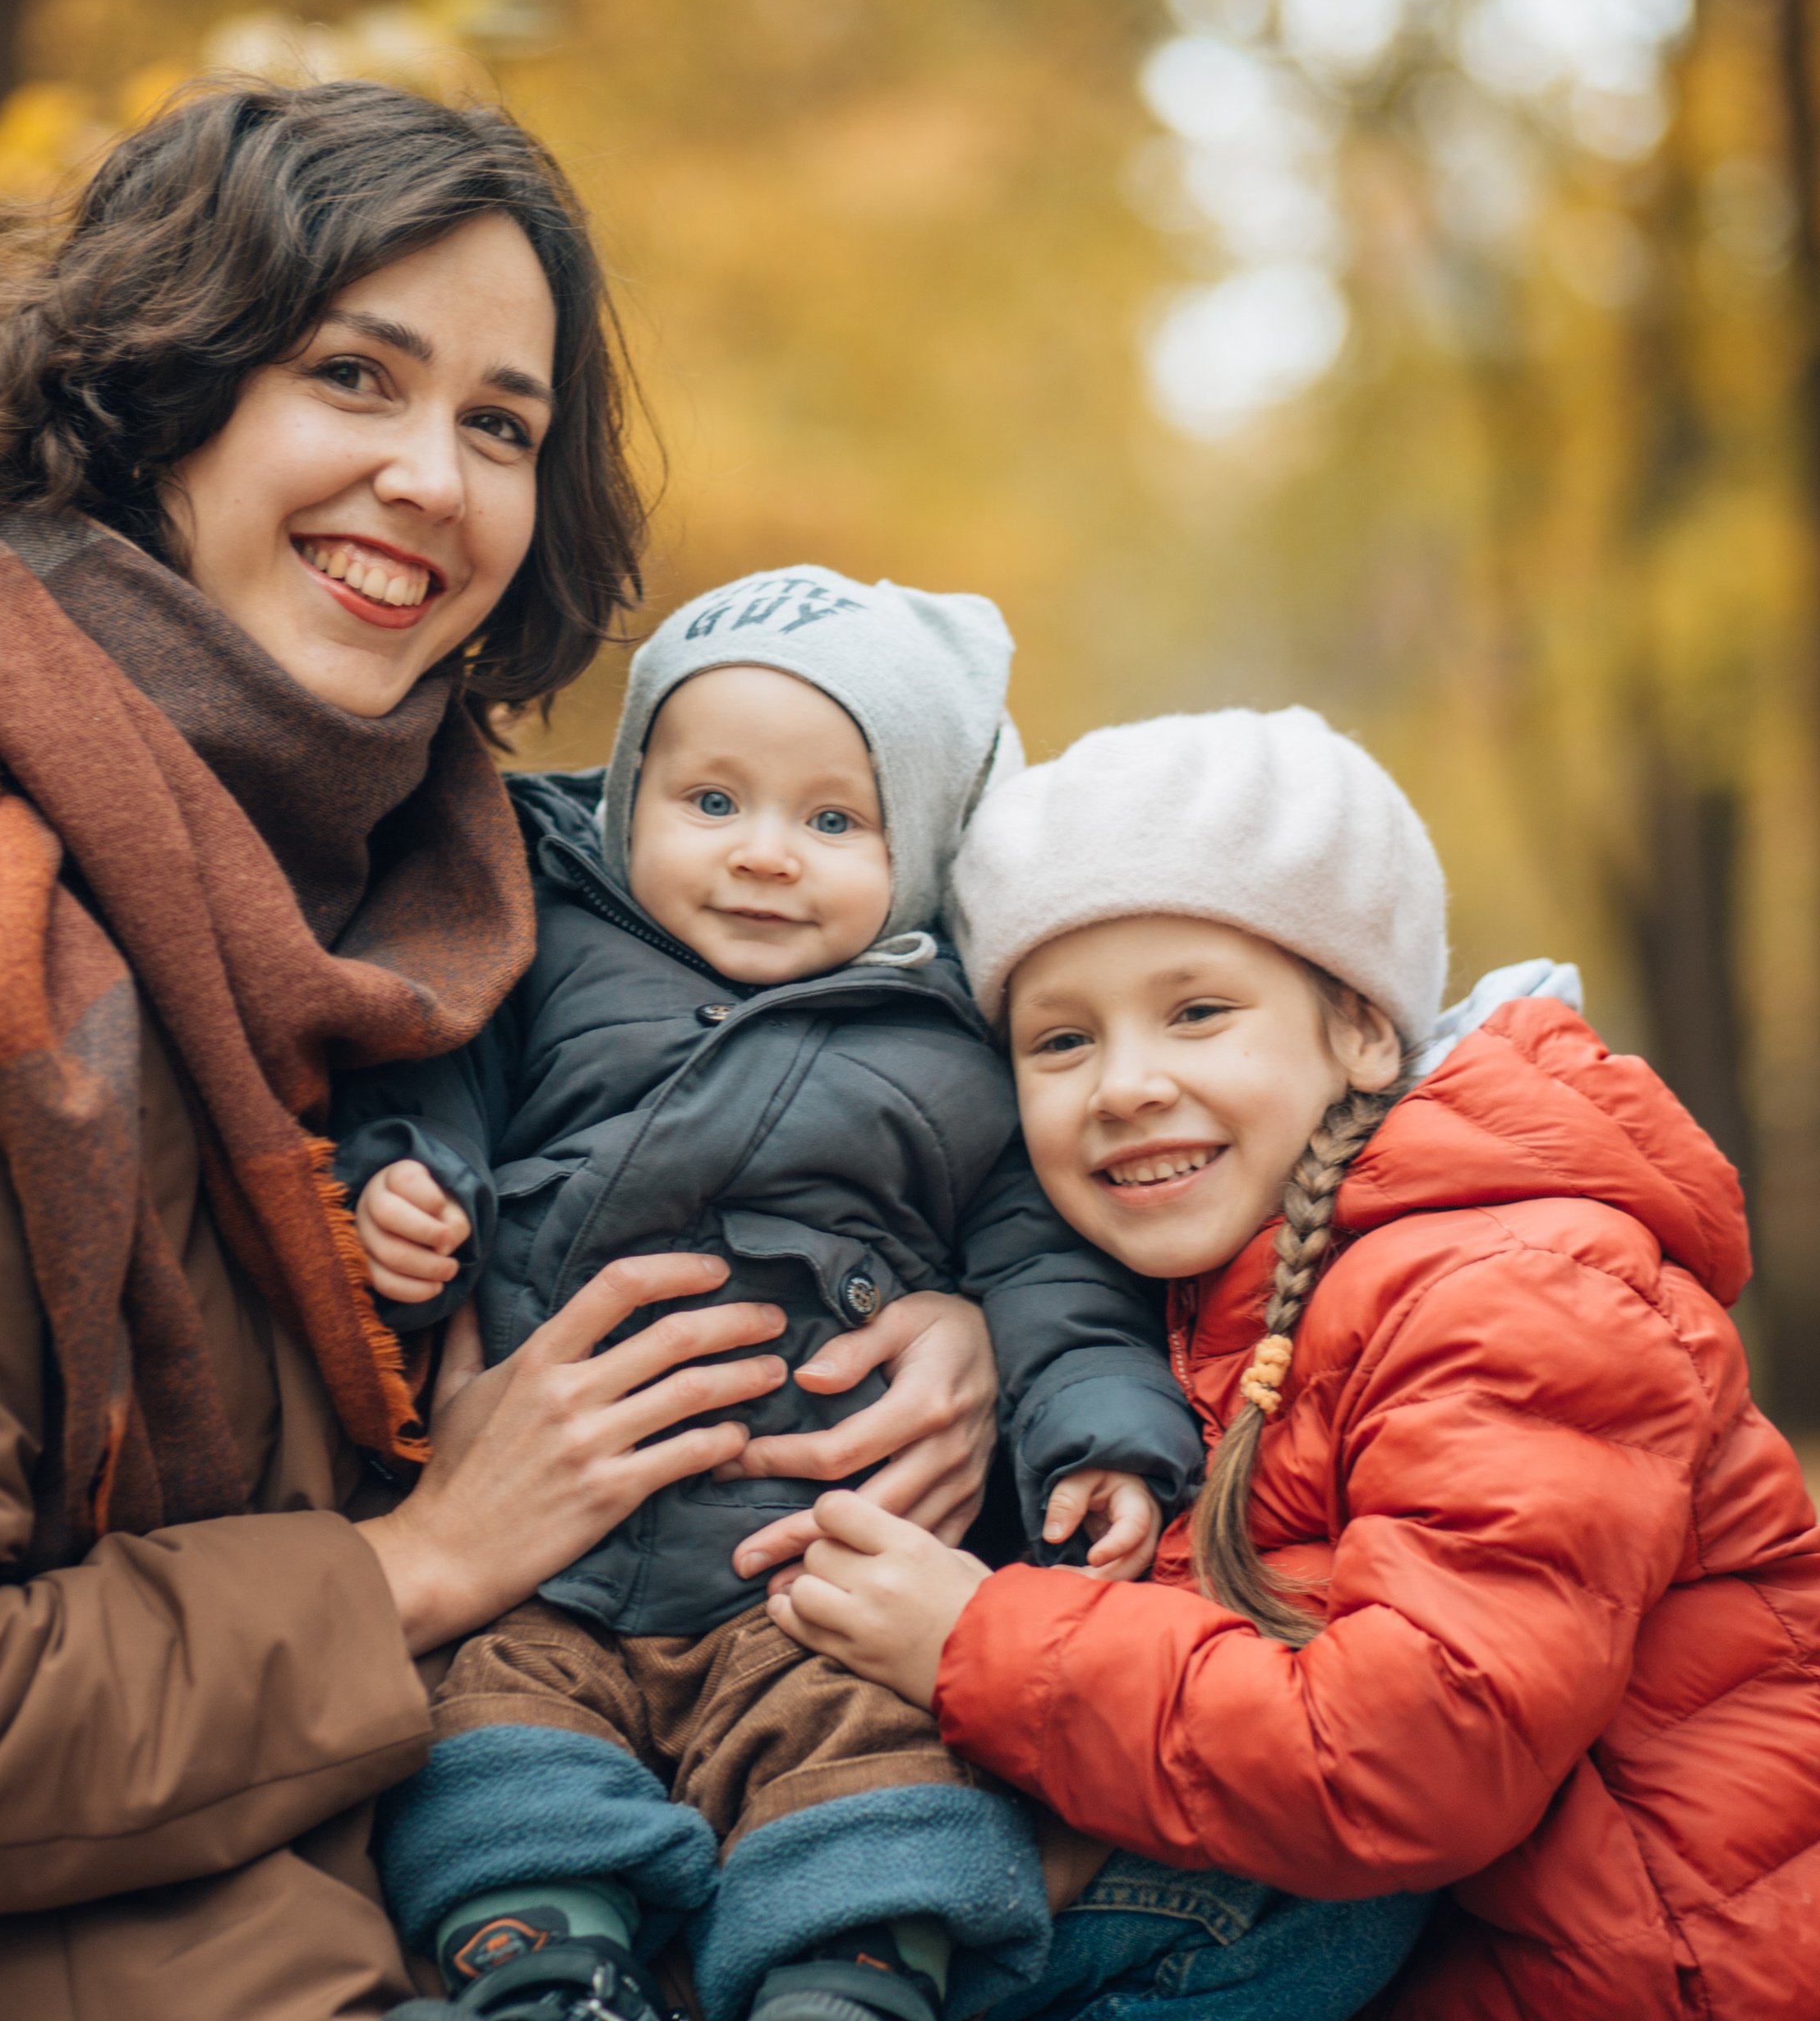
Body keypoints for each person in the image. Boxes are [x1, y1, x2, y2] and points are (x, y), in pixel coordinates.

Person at [0, 81, 999, 2021]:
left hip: (568, 1832)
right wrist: (418, 1561)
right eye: (353, 375)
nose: (435, 478)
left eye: (501, 422)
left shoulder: (440, 874)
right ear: (162, 392)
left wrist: (934, 1312)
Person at [772, 704, 1820, 2020]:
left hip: (1658, 1976)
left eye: (1198, 1011)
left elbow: (1417, 1754)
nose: (1125, 1085)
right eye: (1062, 1040)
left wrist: (975, 1642)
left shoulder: (1512, 1286)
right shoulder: (1198, 1289)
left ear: (1364, 1033)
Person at [334, 569, 1205, 2021]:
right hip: (548, 1552)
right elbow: (433, 1070)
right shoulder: (549, 947)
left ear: (918, 855)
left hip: (804, 1561)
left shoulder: (951, 1054)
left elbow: (1047, 1270)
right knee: (488, 1731)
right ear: (628, 800)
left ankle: (846, 1980)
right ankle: (545, 1969)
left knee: (884, 1753)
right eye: (713, 803)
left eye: (832, 822)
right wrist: (409, 1180)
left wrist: (1104, 1436)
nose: (764, 858)